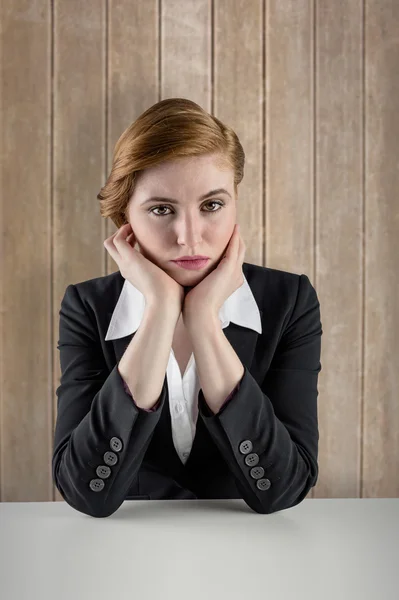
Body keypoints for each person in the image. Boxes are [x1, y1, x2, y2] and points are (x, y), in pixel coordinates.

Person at [52, 98, 323, 518]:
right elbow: (86, 492)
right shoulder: (87, 308)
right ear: (125, 216)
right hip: (123, 559)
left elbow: (283, 489)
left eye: (212, 205)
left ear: (235, 202)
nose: (188, 237)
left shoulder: (289, 303)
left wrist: (202, 320)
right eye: (161, 209)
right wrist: (161, 308)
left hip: (256, 558)